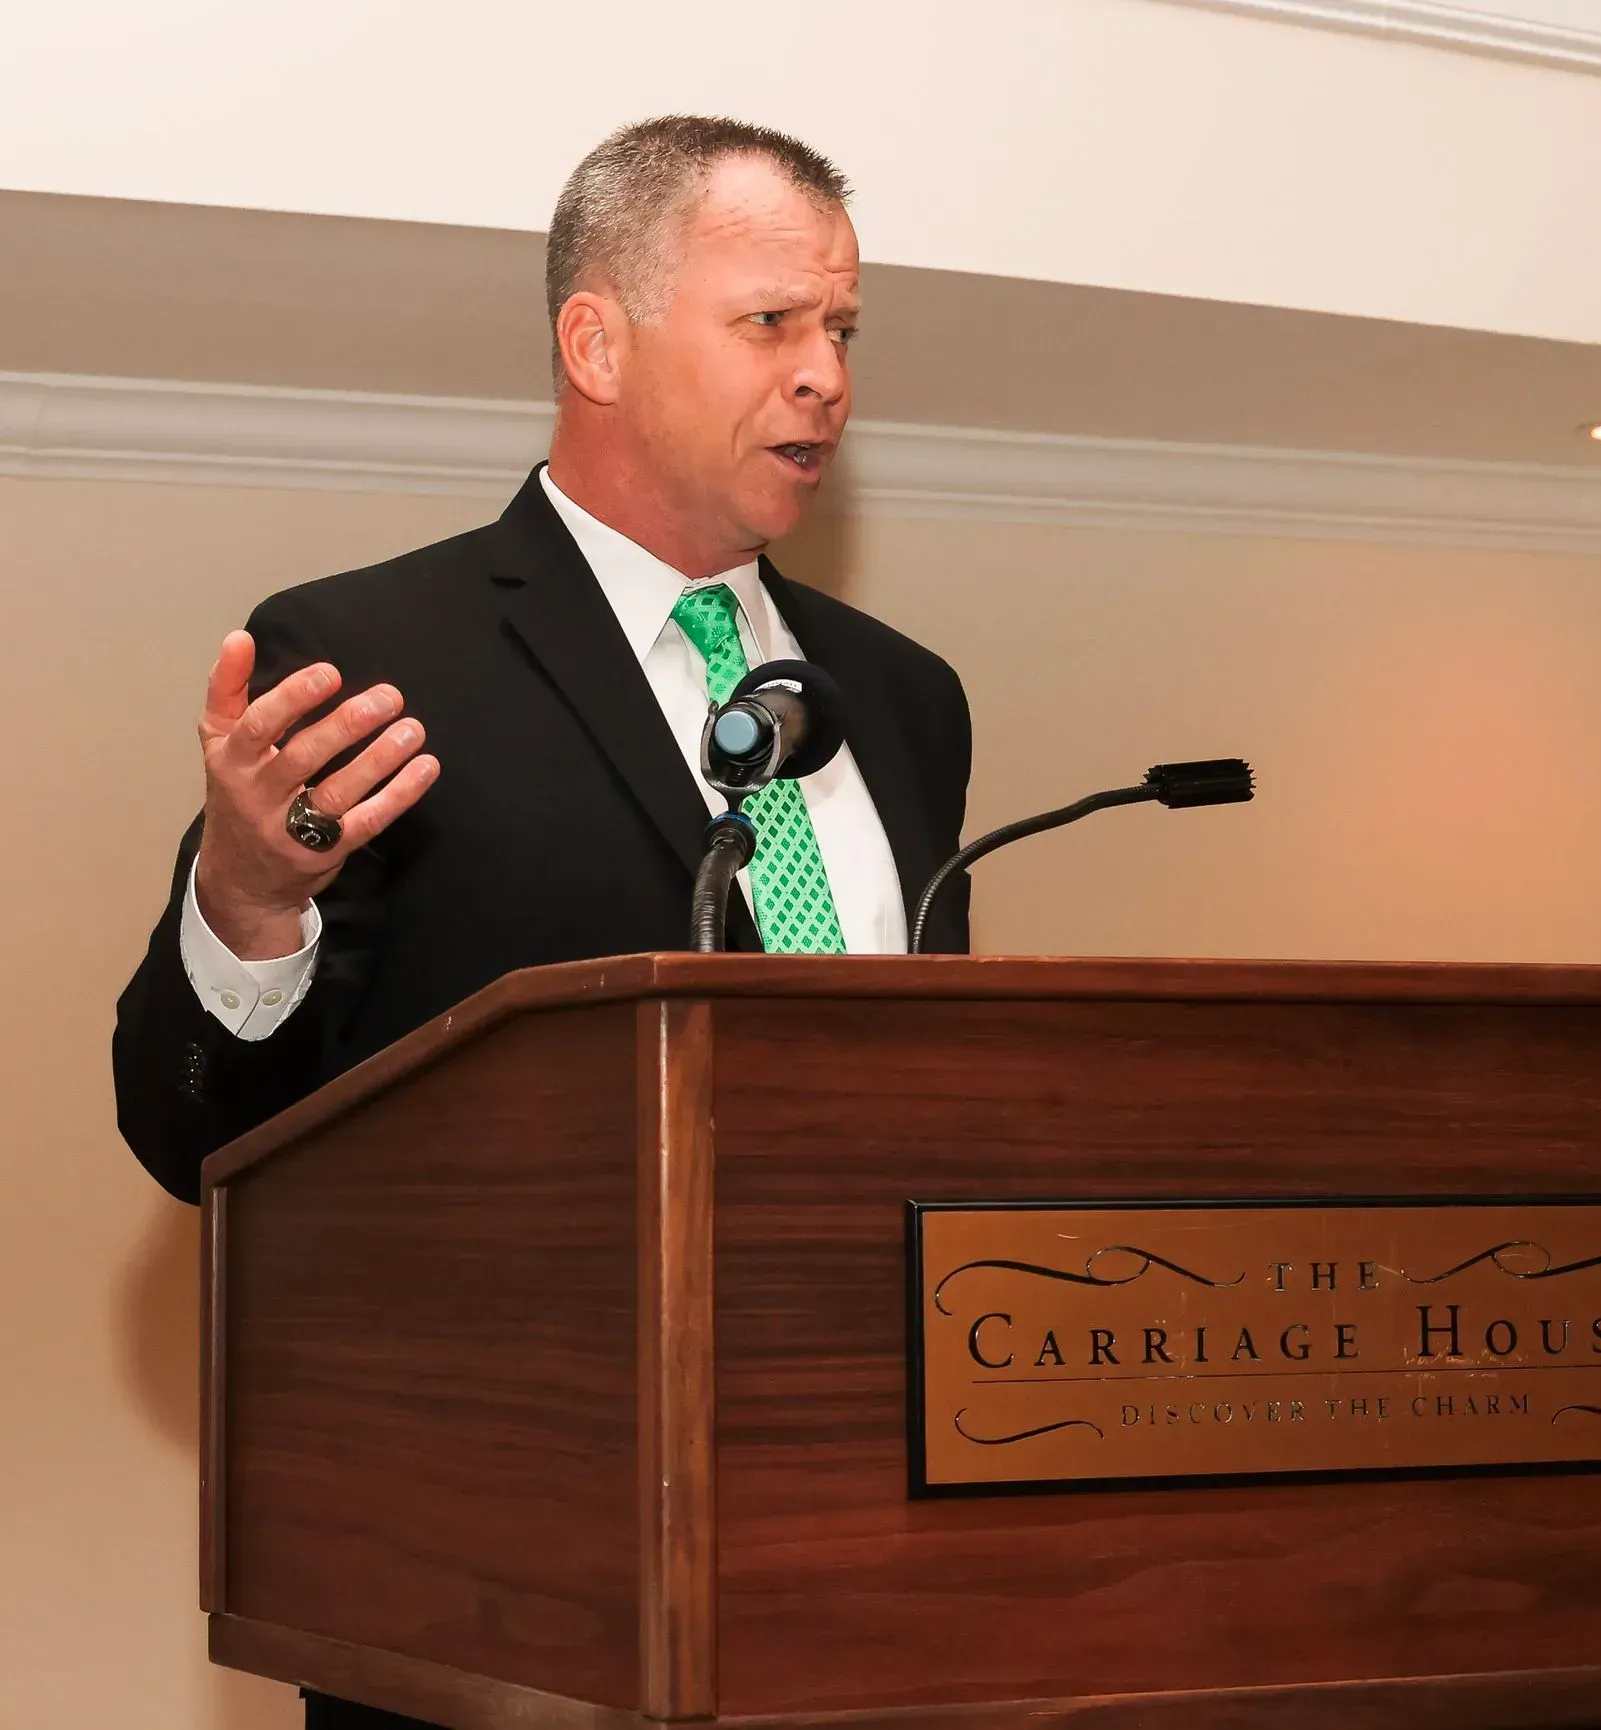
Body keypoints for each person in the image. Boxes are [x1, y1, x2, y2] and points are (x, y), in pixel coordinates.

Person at [111, 116, 972, 1729]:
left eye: (841, 328)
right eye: (772, 322)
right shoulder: (373, 654)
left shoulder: (908, 702)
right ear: (597, 338)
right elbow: (192, 1131)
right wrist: (246, 896)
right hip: (490, 1591)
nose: (827, 376)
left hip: (865, 1563)